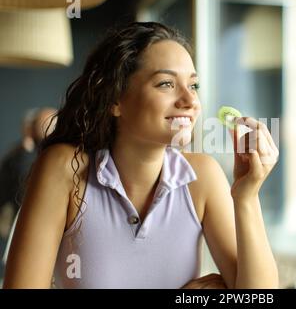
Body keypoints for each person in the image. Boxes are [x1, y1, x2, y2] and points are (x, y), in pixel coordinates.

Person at [3, 22, 279, 289]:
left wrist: (247, 196)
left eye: (193, 86)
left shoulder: (202, 176)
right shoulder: (66, 169)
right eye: (166, 84)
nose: (190, 101)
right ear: (115, 100)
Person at [0, 108, 56, 282]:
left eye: (55, 124)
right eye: (47, 125)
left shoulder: (47, 156)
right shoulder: (23, 158)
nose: (53, 129)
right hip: (28, 239)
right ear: (31, 130)